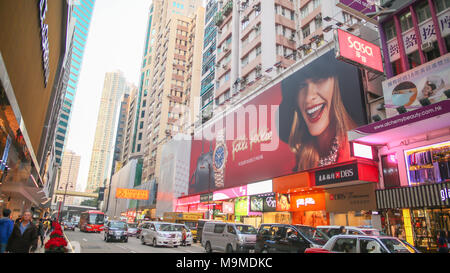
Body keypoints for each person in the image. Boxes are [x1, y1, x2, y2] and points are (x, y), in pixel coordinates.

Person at [278, 51, 359, 172]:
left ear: (335, 84)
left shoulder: (357, 145)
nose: (309, 97)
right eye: (302, 86)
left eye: (319, 80)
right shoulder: (297, 160)